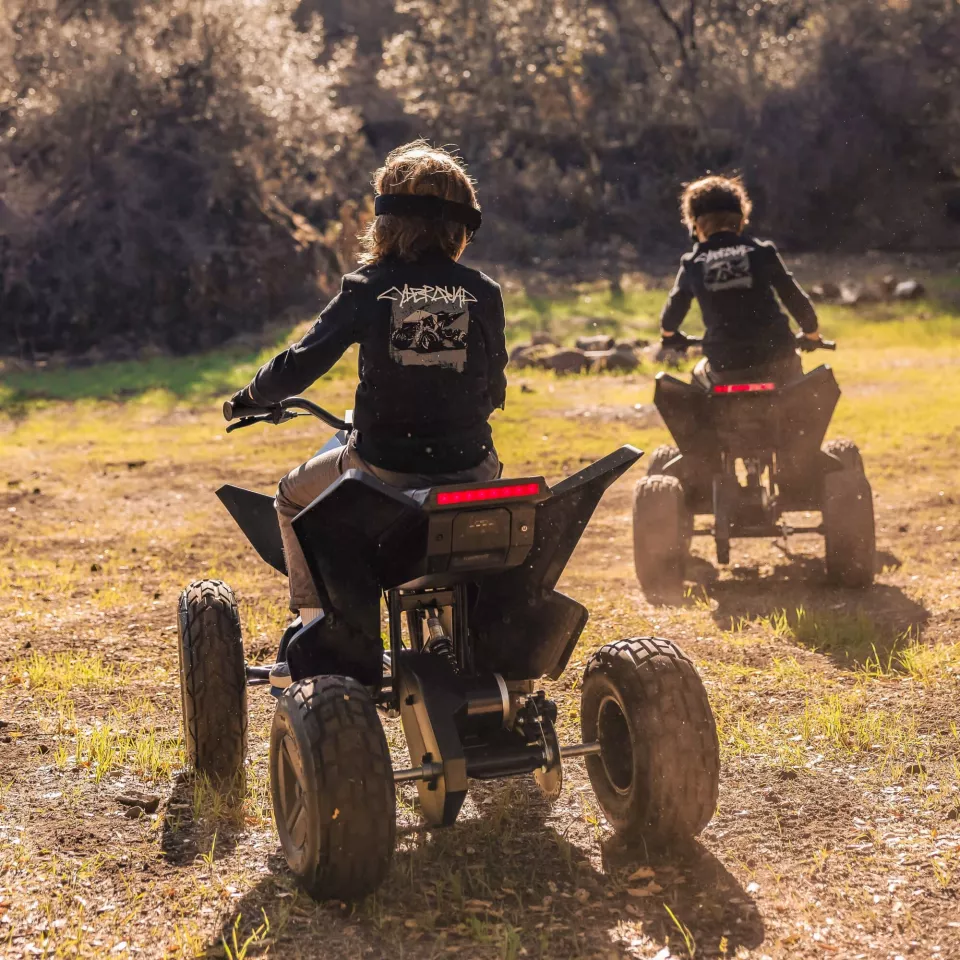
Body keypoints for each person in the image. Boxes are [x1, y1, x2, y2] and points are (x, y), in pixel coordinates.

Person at [226, 141, 508, 685]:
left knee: (288, 498)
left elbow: (298, 366)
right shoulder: (483, 292)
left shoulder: (367, 289)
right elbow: (494, 388)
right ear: (462, 224)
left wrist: (253, 395)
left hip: (384, 470)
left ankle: (316, 634)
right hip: (473, 467)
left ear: (387, 218)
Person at [659, 175, 823, 387]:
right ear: (741, 218)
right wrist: (811, 333)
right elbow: (793, 297)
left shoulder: (694, 262)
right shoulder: (762, 252)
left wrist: (669, 335)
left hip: (726, 365)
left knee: (700, 377)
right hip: (778, 358)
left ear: (695, 225)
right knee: (794, 387)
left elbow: (674, 309)